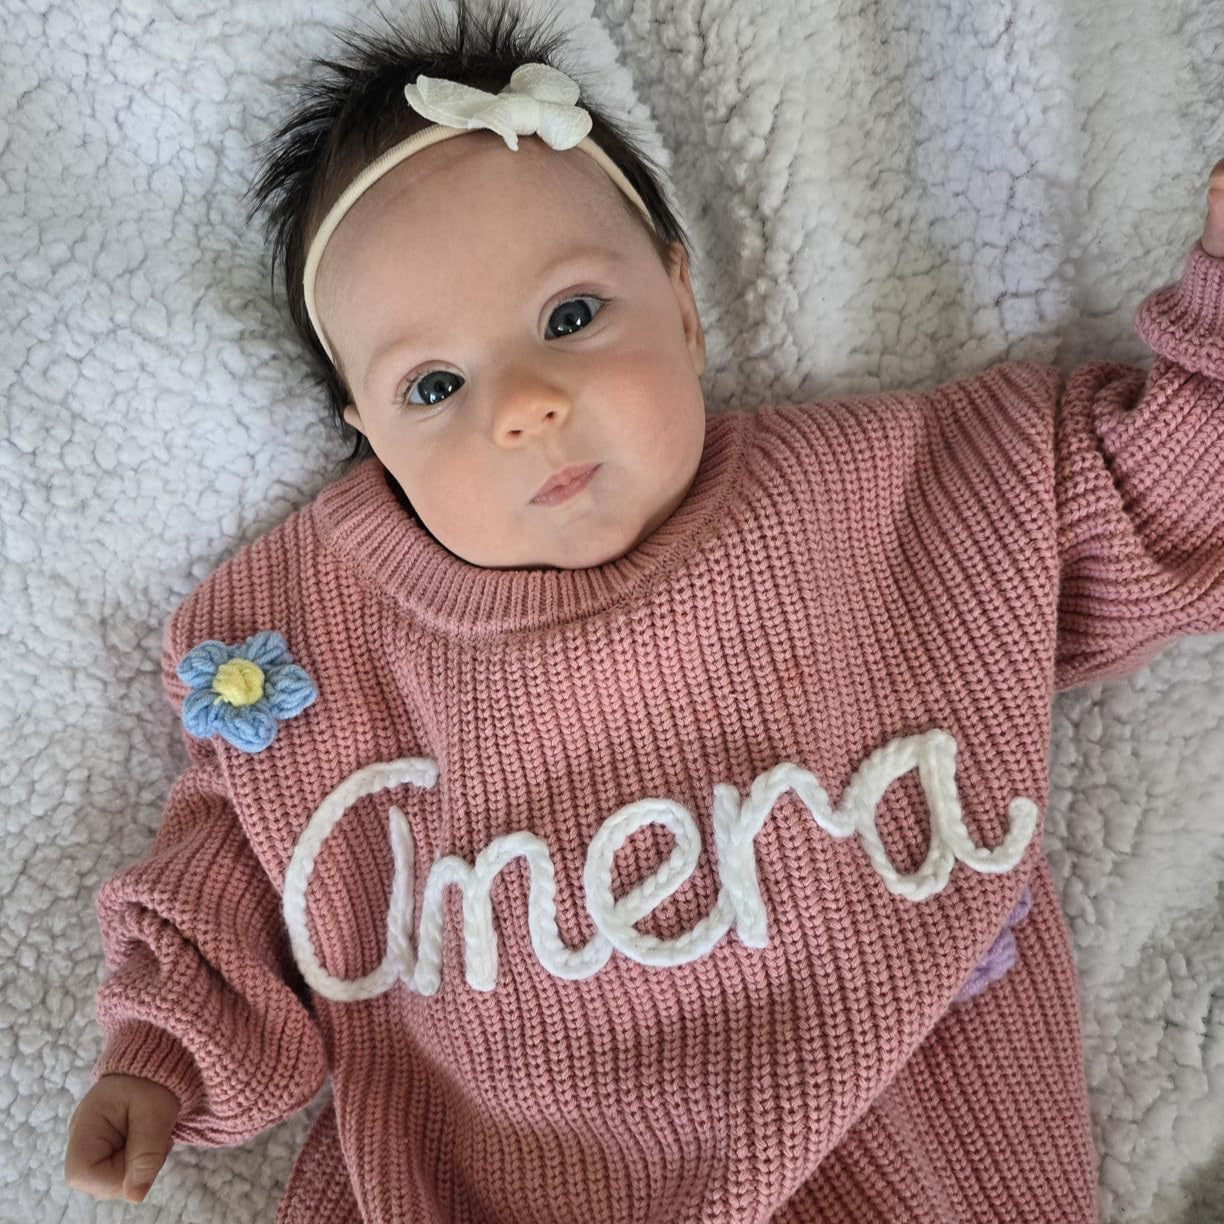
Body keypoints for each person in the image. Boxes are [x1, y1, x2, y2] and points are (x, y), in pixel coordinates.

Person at [63, 0, 1224, 1219]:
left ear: (682, 301)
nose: (525, 407)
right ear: (369, 438)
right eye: (435, 386)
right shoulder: (336, 639)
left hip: (893, 1159)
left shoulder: (891, 505)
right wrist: (161, 1051)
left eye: (571, 318)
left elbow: (1156, 506)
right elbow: (247, 856)